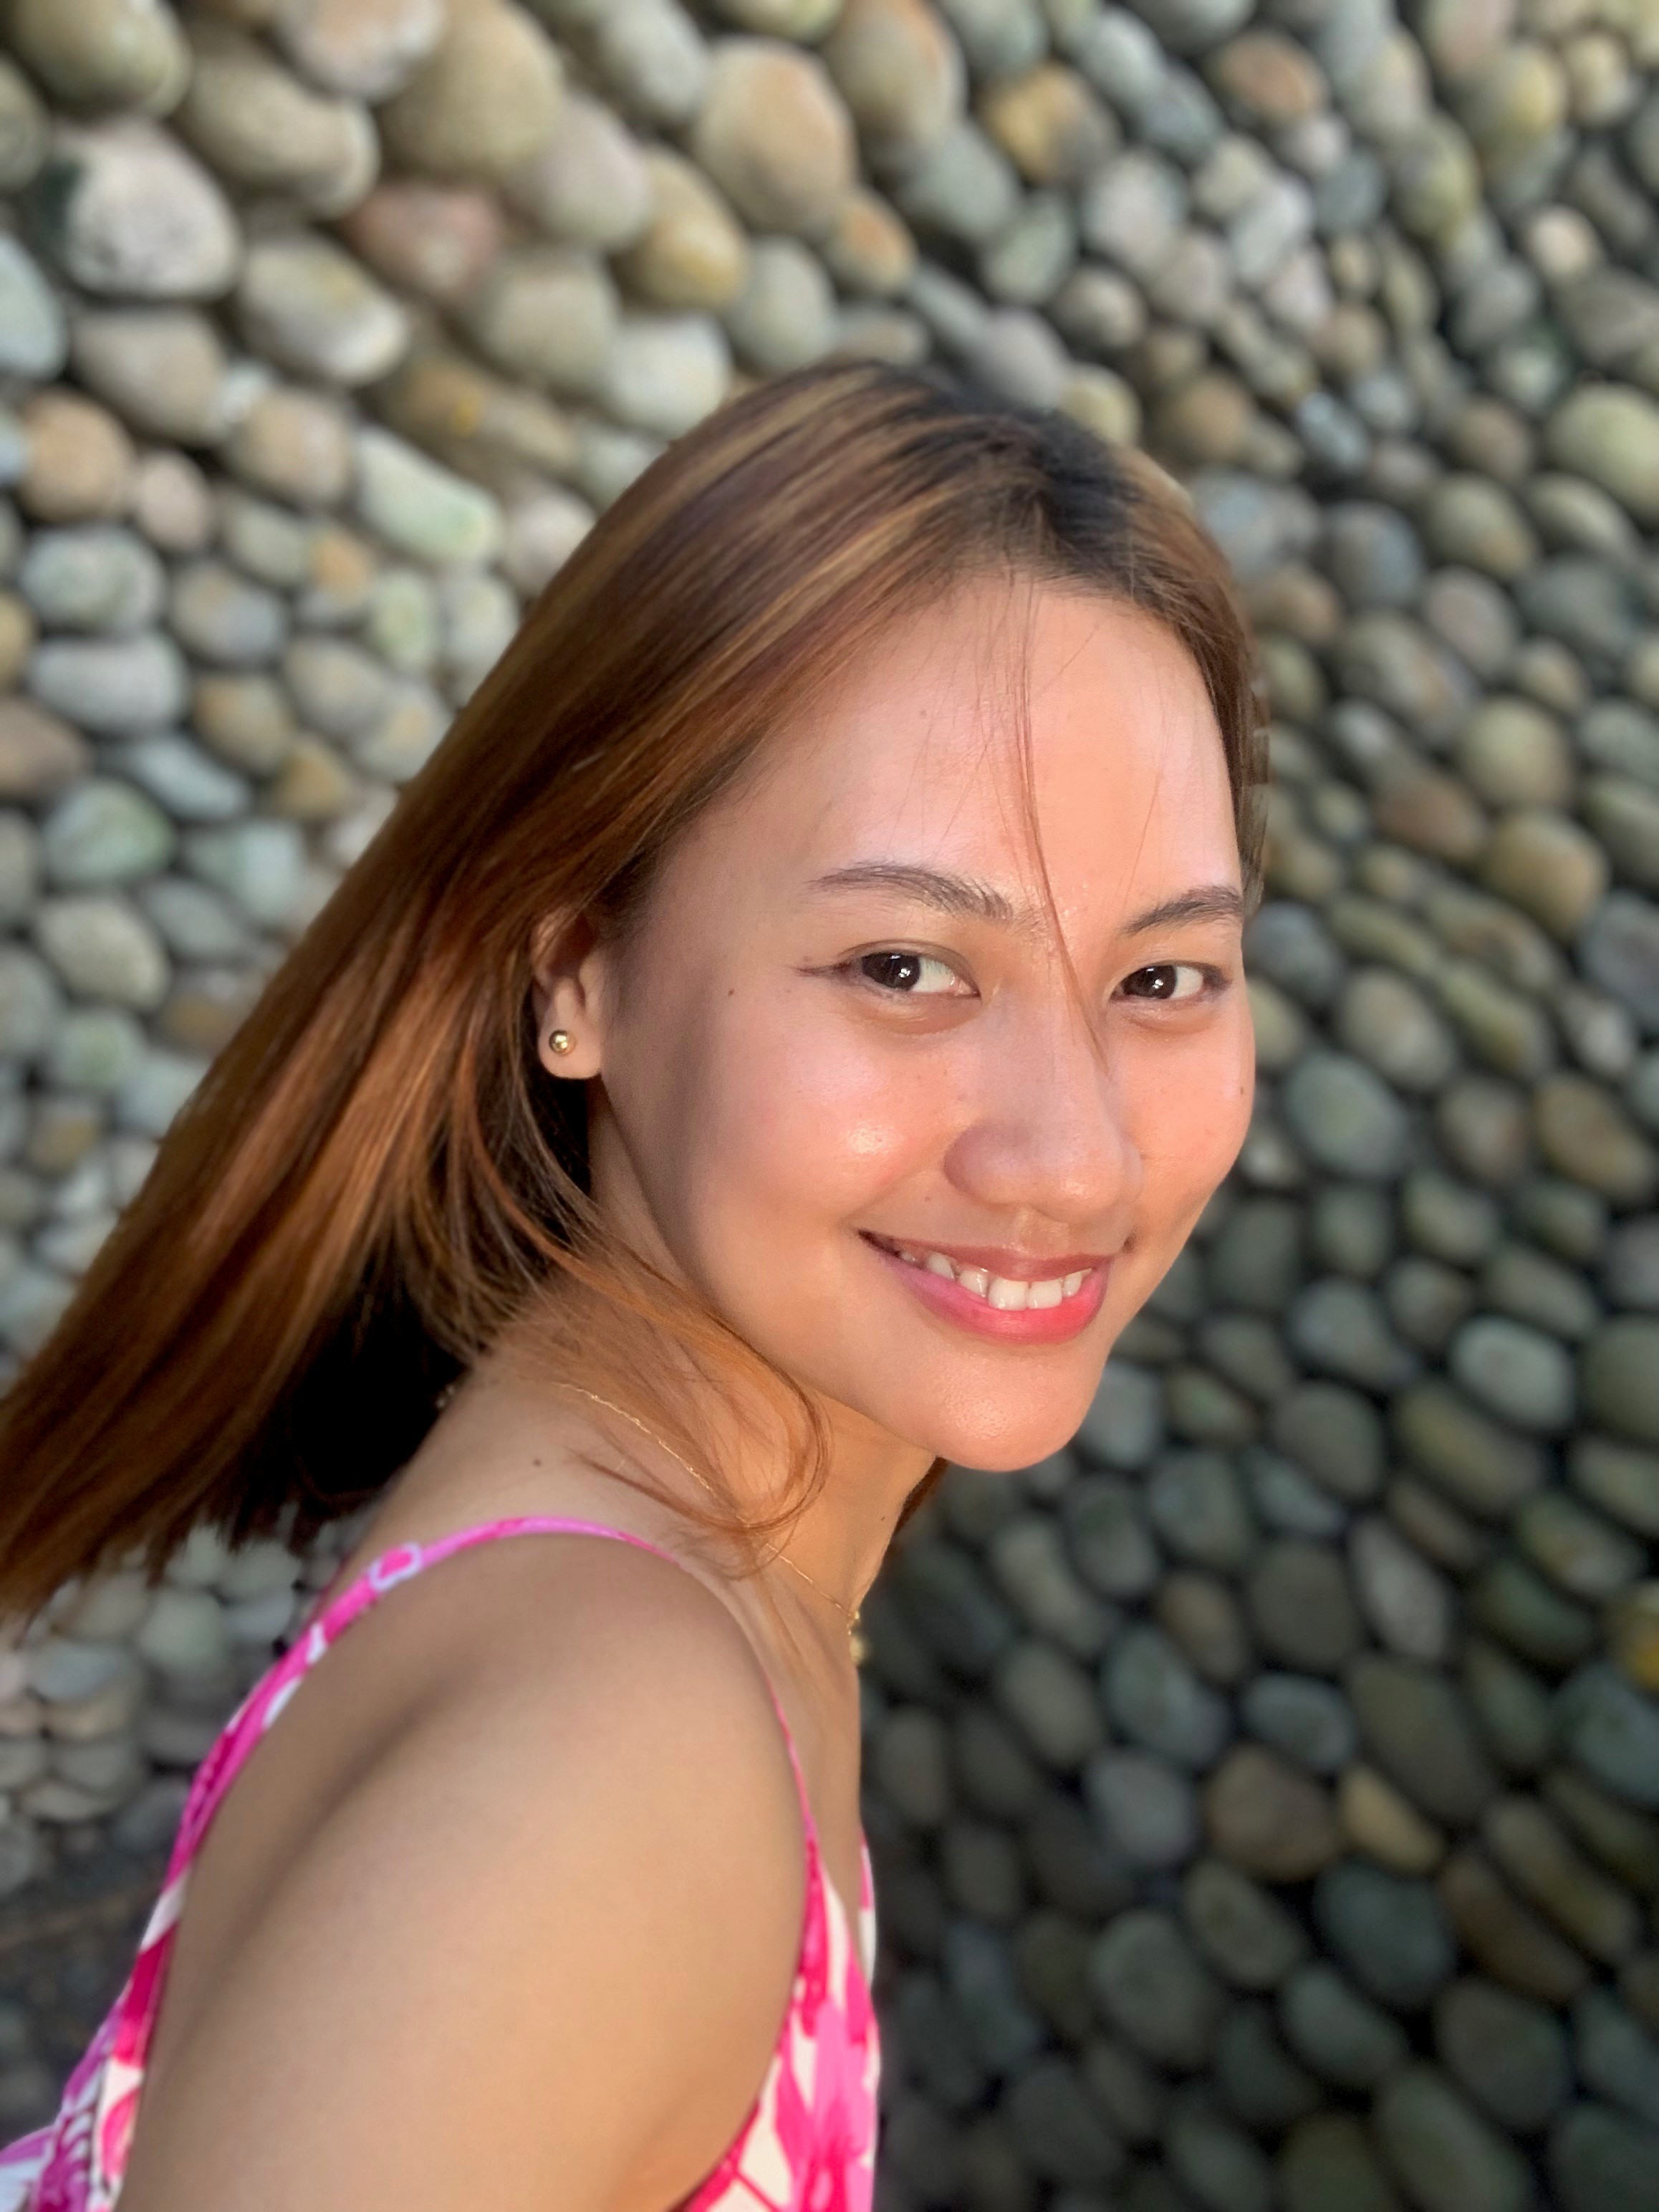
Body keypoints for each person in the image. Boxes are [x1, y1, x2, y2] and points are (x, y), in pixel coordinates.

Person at [0, 360, 1261, 2212]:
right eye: (904, 967)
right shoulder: (605, 1775)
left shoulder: (654, 1567)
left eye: (1163, 981)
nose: (1073, 1159)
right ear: (579, 971)